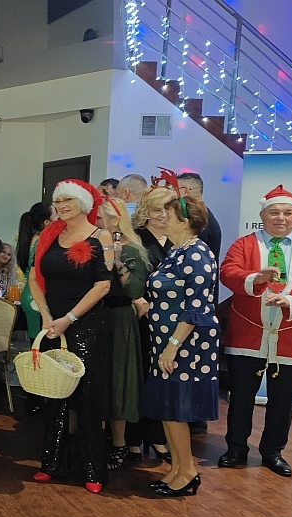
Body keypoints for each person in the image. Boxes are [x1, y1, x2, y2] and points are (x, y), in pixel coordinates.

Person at [218, 185, 292, 478]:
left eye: (287, 213)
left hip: (290, 338)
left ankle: (273, 452)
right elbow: (228, 272)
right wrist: (255, 277)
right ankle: (236, 448)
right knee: (241, 398)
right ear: (262, 215)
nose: (281, 218)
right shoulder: (244, 245)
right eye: (274, 212)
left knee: (283, 401)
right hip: (247, 336)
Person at [27, 179, 113, 494]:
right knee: (54, 395)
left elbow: (103, 286)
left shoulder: (100, 237)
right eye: (59, 200)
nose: (62, 206)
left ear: (84, 204)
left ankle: (92, 469)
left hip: (86, 326)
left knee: (87, 398)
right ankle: (51, 463)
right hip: (53, 324)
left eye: (69, 200)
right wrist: (46, 315)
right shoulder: (49, 235)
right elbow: (34, 277)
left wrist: (69, 319)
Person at [140, 192, 220, 497]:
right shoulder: (178, 251)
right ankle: (177, 468)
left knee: (176, 409)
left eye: (169, 215)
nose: (163, 219)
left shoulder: (197, 254)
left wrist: (172, 345)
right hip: (168, 341)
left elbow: (196, 307)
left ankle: (187, 471)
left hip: (186, 344)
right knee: (167, 408)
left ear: (184, 222)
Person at [124, 186, 176, 462]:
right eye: (157, 209)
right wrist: (137, 299)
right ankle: (133, 439)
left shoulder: (178, 240)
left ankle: (158, 436)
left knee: (163, 380)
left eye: (168, 209)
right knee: (140, 378)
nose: (163, 215)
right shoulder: (136, 240)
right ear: (145, 212)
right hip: (141, 321)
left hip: (171, 323)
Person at [98, 198, 149, 470]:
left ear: (115, 219)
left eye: (99, 218)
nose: (95, 222)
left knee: (118, 380)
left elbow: (136, 290)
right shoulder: (95, 244)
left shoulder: (132, 250)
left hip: (118, 319)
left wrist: (118, 263)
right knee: (98, 380)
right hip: (95, 316)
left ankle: (119, 443)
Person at [176, 172, 222, 436]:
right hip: (199, 307)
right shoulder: (207, 218)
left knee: (191, 365)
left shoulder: (200, 227)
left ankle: (194, 419)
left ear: (186, 191)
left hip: (195, 311)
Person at [15, 203, 56, 335]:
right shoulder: (42, 241)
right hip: (36, 295)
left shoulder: (30, 239)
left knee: (35, 338)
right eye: (55, 215)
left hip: (28, 293)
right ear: (46, 222)